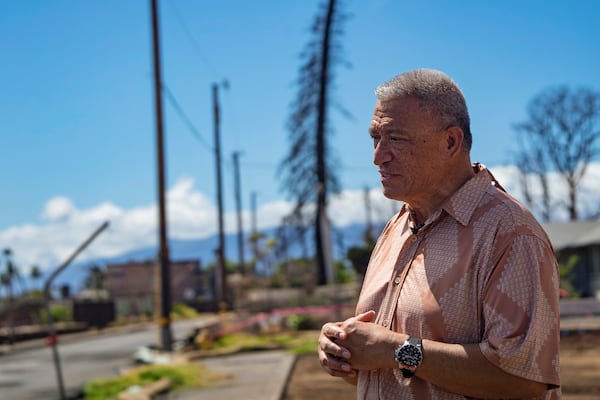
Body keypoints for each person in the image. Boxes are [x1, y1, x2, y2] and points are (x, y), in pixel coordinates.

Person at [318, 68, 561, 399]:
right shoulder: (395, 229)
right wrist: (346, 353)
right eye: (375, 138)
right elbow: (396, 371)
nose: (378, 156)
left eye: (396, 139)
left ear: (451, 141)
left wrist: (395, 349)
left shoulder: (509, 233)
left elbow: (523, 381)